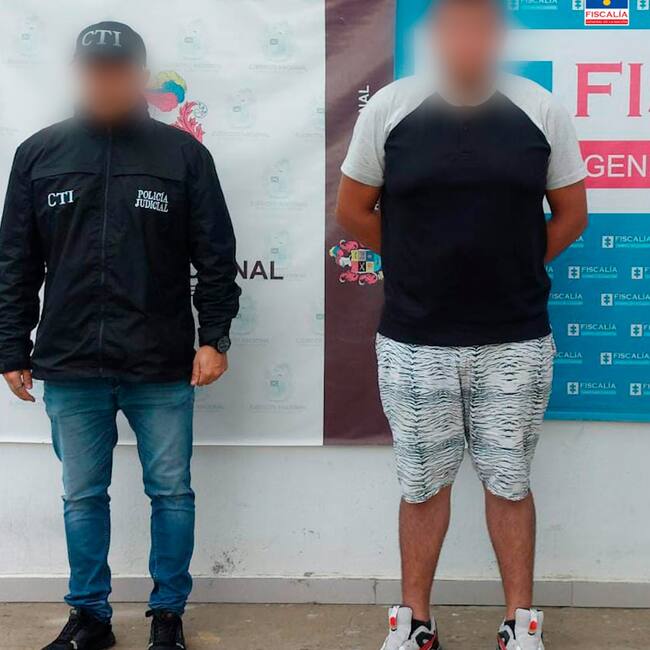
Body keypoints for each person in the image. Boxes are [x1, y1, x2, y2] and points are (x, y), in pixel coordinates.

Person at [336, 0, 588, 647]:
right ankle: (414, 624)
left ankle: (520, 624)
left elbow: (571, 214)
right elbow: (353, 210)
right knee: (422, 485)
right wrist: (414, 260)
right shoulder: (390, 109)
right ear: (437, 35)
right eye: (456, 25)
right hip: (415, 338)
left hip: (516, 337)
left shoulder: (540, 110)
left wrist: (516, 262)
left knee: (510, 482)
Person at [0, 21, 240, 650]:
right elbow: (15, 262)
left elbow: (216, 255)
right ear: (80, 75)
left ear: (138, 77)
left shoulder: (183, 156)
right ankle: (90, 618)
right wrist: (10, 345)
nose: (106, 81)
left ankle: (168, 616)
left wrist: (214, 336)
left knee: (171, 492)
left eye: (118, 70)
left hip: (160, 362)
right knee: (82, 496)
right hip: (70, 361)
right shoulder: (39, 154)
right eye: (95, 70)